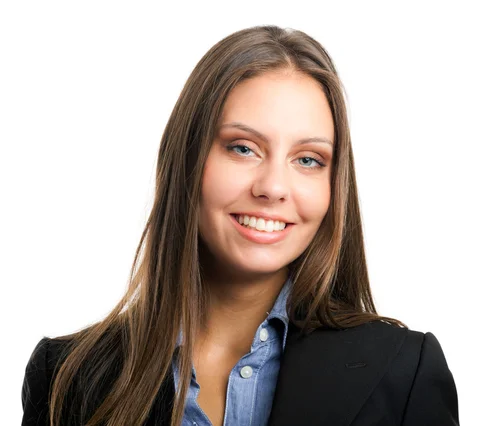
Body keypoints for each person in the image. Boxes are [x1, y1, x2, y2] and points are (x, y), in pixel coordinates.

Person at [21, 25, 459, 426]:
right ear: (187, 160)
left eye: (308, 159)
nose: (273, 187)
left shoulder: (403, 373)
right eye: (243, 148)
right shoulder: (66, 376)